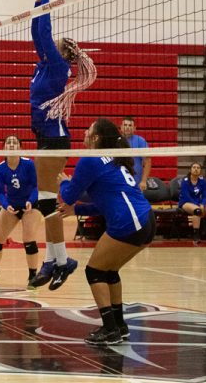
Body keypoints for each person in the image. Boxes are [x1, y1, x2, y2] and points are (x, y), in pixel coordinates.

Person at [56, 118, 155, 346]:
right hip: (146, 219)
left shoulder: (90, 160)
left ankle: (110, 329)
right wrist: (78, 209)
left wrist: (64, 182)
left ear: (96, 138)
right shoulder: (114, 159)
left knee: (95, 272)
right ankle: (119, 326)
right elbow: (106, 201)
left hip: (129, 222)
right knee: (109, 271)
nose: (84, 131)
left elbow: (68, 195)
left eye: (88, 129)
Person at [27, 0, 97, 291]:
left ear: (64, 54)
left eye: (56, 46)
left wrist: (46, 1)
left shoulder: (58, 67)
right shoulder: (45, 64)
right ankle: (58, 260)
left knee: (45, 201)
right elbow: (37, 32)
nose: (50, 46)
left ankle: (57, 260)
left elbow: (45, 29)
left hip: (54, 137)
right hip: (45, 135)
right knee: (46, 201)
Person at [0, 136, 41, 287]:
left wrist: (30, 201)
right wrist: (6, 206)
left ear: (20, 147)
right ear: (4, 148)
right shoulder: (0, 168)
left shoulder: (28, 164)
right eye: (8, 142)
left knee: (29, 239)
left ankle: (33, 276)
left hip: (30, 205)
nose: (11, 144)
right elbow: (0, 193)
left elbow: (35, 186)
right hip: (12, 205)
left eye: (15, 142)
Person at [120, 116, 151, 190]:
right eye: (125, 125)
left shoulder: (140, 141)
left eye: (130, 125)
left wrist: (143, 181)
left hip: (136, 183)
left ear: (134, 128)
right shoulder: (116, 141)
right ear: (121, 127)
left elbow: (147, 161)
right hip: (119, 182)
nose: (127, 127)